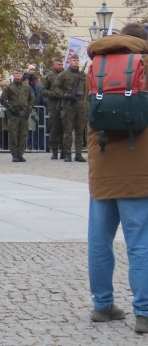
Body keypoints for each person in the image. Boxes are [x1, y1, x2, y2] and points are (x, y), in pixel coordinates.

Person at [86, 23, 148, 332]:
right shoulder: (144, 67)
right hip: (139, 170)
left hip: (102, 166)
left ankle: (102, 305)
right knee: (140, 243)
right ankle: (144, 312)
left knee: (100, 241)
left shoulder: (94, 67)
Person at [56, 54, 88, 163]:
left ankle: (78, 153)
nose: (76, 62)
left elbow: (87, 89)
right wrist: (66, 95)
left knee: (80, 130)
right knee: (68, 130)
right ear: (70, 61)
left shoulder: (83, 75)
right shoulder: (64, 74)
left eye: (77, 60)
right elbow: (55, 88)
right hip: (68, 106)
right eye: (74, 60)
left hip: (80, 105)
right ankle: (67, 153)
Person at [4, 68, 36, 162]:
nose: (18, 75)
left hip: (24, 114)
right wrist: (10, 108)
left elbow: (32, 99)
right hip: (14, 114)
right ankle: (14, 154)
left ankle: (20, 153)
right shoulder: (9, 87)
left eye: (20, 73)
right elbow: (3, 99)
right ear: (13, 75)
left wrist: (29, 108)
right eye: (16, 73)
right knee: (13, 135)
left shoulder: (27, 87)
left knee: (23, 135)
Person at [42, 57, 66, 159]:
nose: (61, 66)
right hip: (54, 105)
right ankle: (54, 150)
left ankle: (64, 150)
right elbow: (43, 90)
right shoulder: (49, 76)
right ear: (54, 65)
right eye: (59, 64)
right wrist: (53, 94)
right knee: (54, 128)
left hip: (65, 104)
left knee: (65, 128)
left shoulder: (66, 75)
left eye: (62, 64)